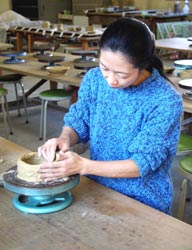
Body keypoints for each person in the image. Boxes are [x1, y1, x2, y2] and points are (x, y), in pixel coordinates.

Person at [37, 17, 183, 215]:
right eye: (105, 68)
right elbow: (79, 120)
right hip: (97, 186)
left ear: (144, 64)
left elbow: (142, 164)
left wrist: (83, 165)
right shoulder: (94, 79)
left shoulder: (165, 100)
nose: (111, 80)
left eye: (122, 75)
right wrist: (64, 139)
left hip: (143, 199)